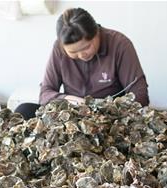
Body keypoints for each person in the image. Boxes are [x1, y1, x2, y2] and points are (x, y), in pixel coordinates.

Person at [14, 7, 149, 119]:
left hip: (110, 117)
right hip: (71, 115)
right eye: (73, 52)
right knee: (23, 110)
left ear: (96, 32)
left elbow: (140, 93)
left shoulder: (119, 44)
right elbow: (45, 93)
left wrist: (109, 110)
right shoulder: (58, 48)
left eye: (86, 47)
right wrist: (67, 99)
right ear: (63, 47)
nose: (82, 55)